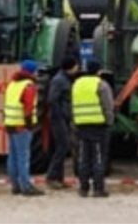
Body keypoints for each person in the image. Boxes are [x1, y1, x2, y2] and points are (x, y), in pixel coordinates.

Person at [72, 60, 113, 198]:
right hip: (98, 126)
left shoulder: (77, 84)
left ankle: (83, 188)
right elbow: (107, 105)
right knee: (98, 158)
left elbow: (73, 104)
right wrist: (109, 122)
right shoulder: (101, 84)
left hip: (81, 126)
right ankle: (98, 189)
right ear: (99, 71)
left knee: (83, 158)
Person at [4, 59, 44, 196]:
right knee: (23, 157)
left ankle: (15, 185)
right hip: (22, 126)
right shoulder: (29, 86)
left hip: (10, 124)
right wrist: (29, 124)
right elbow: (27, 108)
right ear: (32, 71)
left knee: (13, 156)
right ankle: (26, 186)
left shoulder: (12, 84)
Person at [45, 55, 79, 189]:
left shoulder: (65, 79)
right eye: (76, 66)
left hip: (63, 118)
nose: (78, 68)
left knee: (63, 147)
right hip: (58, 118)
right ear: (70, 67)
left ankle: (59, 178)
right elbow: (53, 99)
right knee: (62, 147)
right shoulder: (59, 80)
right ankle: (52, 177)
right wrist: (60, 115)